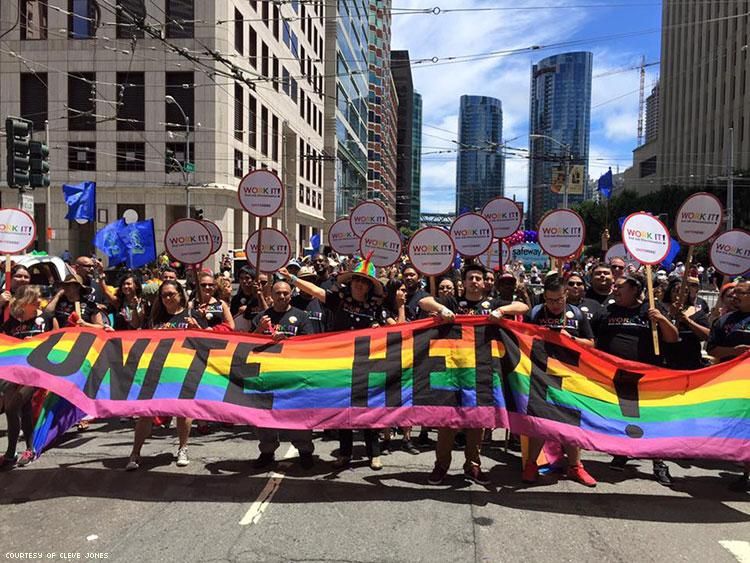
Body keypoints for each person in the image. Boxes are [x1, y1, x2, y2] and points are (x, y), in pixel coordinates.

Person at [278, 255, 446, 470]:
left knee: (368, 409)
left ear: (369, 287)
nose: (359, 284)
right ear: (351, 282)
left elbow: (396, 329)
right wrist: (291, 278)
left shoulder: (375, 308)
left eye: (364, 282)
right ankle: (345, 454)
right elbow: (315, 290)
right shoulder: (338, 300)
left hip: (367, 365)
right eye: (356, 280)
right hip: (340, 364)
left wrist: (381, 327)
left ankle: (374, 454)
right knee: (344, 409)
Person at [428, 262, 528, 486]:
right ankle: (441, 465)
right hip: (452, 369)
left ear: (484, 283)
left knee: (478, 420)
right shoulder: (453, 302)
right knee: (447, 419)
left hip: (482, 370)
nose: (474, 281)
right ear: (463, 283)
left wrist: (502, 311)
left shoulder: (493, 303)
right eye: (470, 278)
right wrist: (442, 310)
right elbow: (425, 302)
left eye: (478, 278)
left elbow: (523, 307)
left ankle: (473, 464)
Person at [595, 273, 679, 485]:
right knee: (624, 416)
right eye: (615, 286)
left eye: (620, 287)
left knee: (650, 420)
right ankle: (624, 452)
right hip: (617, 377)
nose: (614, 290)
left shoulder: (651, 309)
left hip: (647, 377)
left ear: (634, 289)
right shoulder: (607, 311)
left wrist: (661, 319)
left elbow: (673, 337)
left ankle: (658, 462)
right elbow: (593, 340)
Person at [522, 276, 597, 487]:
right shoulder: (535, 313)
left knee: (571, 422)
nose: (554, 305)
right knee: (540, 422)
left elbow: (591, 343)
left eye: (558, 300)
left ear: (566, 295)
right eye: (549, 300)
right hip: (541, 375)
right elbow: (522, 339)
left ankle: (575, 466)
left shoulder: (578, 314)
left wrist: (570, 339)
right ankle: (531, 465)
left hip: (570, 376)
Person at [125, 281, 207, 471]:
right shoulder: (154, 318)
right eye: (164, 295)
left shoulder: (192, 315)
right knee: (146, 413)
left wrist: (197, 328)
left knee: (183, 412)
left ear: (180, 295)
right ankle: (135, 452)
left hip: (183, 369)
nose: (168, 298)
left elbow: (207, 342)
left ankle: (183, 448)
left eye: (171, 294)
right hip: (156, 370)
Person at [250, 280, 315, 469]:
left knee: (298, 415)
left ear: (291, 294)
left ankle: (304, 451)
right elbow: (248, 344)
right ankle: (267, 451)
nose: (281, 296)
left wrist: (287, 340)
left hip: (293, 375)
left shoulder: (301, 316)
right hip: (267, 375)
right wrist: (260, 330)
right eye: (278, 293)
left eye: (285, 293)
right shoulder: (262, 317)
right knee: (264, 415)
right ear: (271, 295)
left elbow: (309, 343)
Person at [1, 285, 53, 467]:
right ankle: (27, 449)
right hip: (16, 372)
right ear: (25, 302)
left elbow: (57, 343)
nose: (39, 301)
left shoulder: (46, 318)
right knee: (24, 409)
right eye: (35, 298)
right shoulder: (11, 323)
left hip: (36, 372)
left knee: (12, 407)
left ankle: (11, 452)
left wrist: (37, 344)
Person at [706, 277, 750, 491]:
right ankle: (746, 473)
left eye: (741, 292)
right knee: (742, 428)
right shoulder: (724, 321)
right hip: (733, 385)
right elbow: (712, 348)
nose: (735, 296)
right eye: (734, 292)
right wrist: (734, 352)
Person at [662, 278, 710, 370]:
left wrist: (687, 321)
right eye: (676, 291)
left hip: (690, 361)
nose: (680, 295)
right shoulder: (661, 309)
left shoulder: (697, 312)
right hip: (666, 361)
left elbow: (707, 335)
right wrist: (669, 315)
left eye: (685, 292)